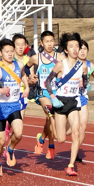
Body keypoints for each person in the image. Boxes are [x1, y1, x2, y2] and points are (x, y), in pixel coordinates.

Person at [45, 33, 88, 176]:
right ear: (66, 49)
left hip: (74, 101)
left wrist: (84, 87)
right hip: (60, 101)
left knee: (76, 132)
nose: (75, 49)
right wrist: (52, 97)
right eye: (72, 46)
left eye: (77, 46)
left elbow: (84, 82)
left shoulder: (82, 66)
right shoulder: (60, 65)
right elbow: (48, 81)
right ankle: (51, 119)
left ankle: (70, 165)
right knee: (61, 139)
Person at [0, 39, 29, 177]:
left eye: (12, 51)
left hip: (14, 105)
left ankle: (10, 149)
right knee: (0, 140)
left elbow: (23, 75)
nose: (10, 54)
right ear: (0, 53)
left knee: (18, 133)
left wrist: (27, 87)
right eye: (7, 52)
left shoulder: (19, 64)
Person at [25, 31, 65, 160]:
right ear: (41, 43)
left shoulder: (60, 57)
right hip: (43, 93)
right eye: (46, 41)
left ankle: (41, 138)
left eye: (51, 41)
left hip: (57, 93)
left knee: (50, 119)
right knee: (51, 116)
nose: (49, 44)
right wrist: (30, 76)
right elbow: (26, 68)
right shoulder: (36, 57)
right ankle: (51, 146)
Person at [66, 40, 94, 162]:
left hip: (82, 98)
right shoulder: (70, 63)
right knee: (67, 131)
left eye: (85, 49)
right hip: (69, 98)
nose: (83, 51)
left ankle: (76, 151)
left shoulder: (91, 66)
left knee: (82, 127)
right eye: (81, 49)